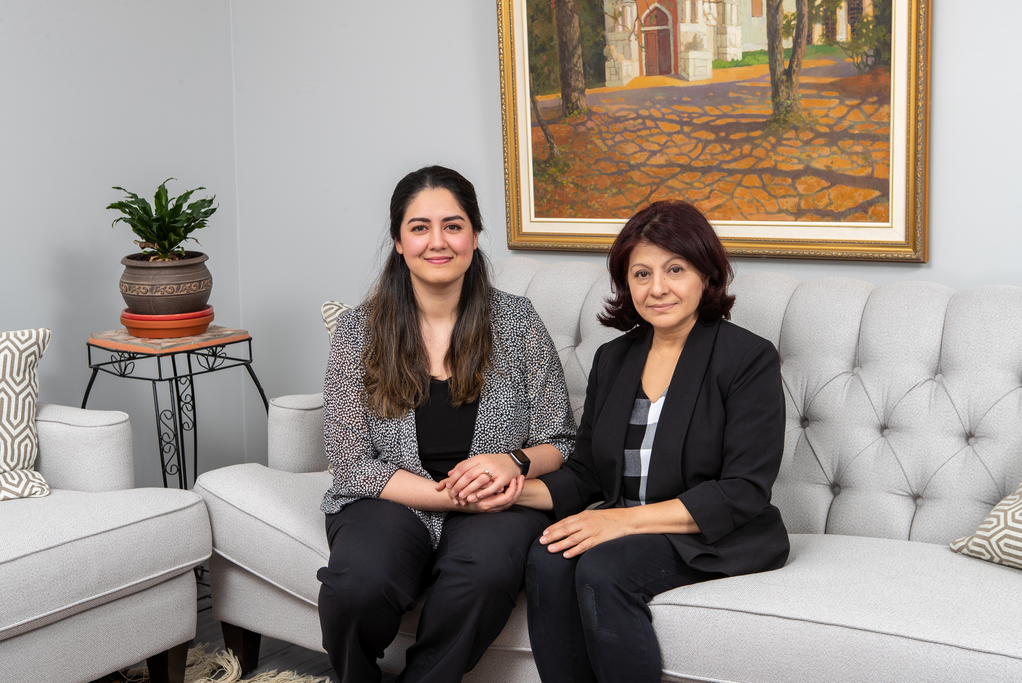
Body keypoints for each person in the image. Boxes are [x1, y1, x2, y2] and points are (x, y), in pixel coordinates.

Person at [316, 165, 576, 683]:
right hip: (389, 500)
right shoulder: (357, 330)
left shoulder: (518, 321)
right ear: (398, 241)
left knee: (481, 577)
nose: (438, 242)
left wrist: (513, 462)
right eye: (420, 227)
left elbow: (561, 439)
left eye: (453, 226)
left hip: (497, 508)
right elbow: (349, 460)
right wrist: (450, 496)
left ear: (475, 236)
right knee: (356, 585)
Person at [515, 201, 791, 683]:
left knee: (603, 569)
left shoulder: (748, 358)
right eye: (641, 274)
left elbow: (744, 489)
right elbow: (585, 473)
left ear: (706, 275)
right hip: (630, 523)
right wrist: (510, 489)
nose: (657, 287)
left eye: (675, 269)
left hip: (714, 535)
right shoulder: (613, 358)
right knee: (546, 557)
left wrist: (622, 521)